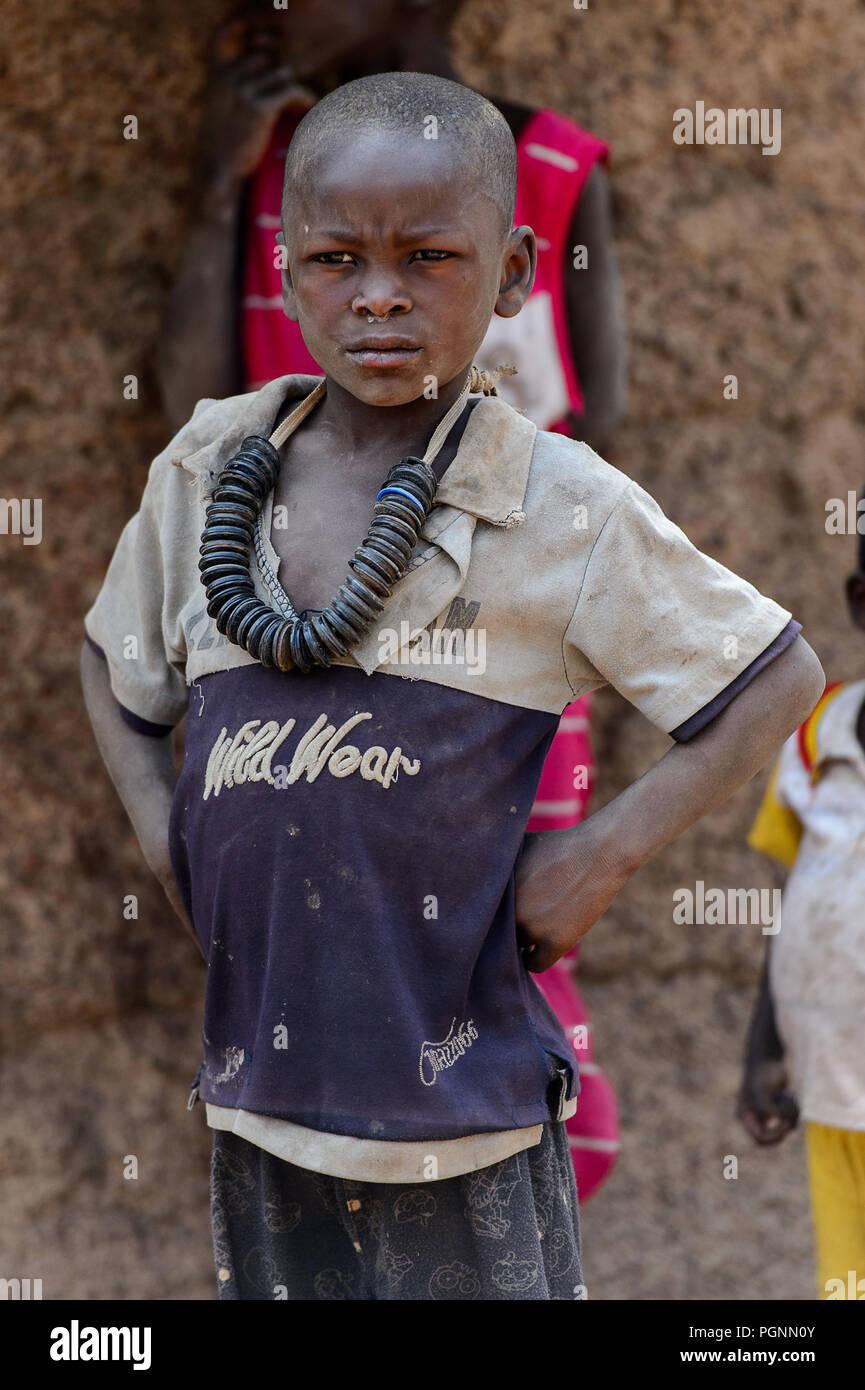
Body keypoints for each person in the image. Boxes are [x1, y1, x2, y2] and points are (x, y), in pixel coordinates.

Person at [82, 72, 824, 1301]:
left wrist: (599, 858)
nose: (378, 294)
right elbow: (111, 662)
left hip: (461, 1123)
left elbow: (773, 673)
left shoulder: (557, 503)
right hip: (258, 1107)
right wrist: (169, 838)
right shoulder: (211, 461)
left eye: (429, 256)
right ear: (284, 265)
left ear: (519, 271)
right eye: (333, 258)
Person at [157, 0, 627, 1200]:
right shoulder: (286, 181)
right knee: (331, 994)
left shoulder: (555, 171)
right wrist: (219, 181)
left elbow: (602, 448)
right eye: (339, 264)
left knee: (513, 979)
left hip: (501, 664)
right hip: (295, 648)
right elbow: (193, 408)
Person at [737, 522, 865, 1300]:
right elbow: (798, 900)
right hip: (832, 1081)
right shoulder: (819, 734)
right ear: (859, 602)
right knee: (846, 1282)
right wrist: (763, 1049)